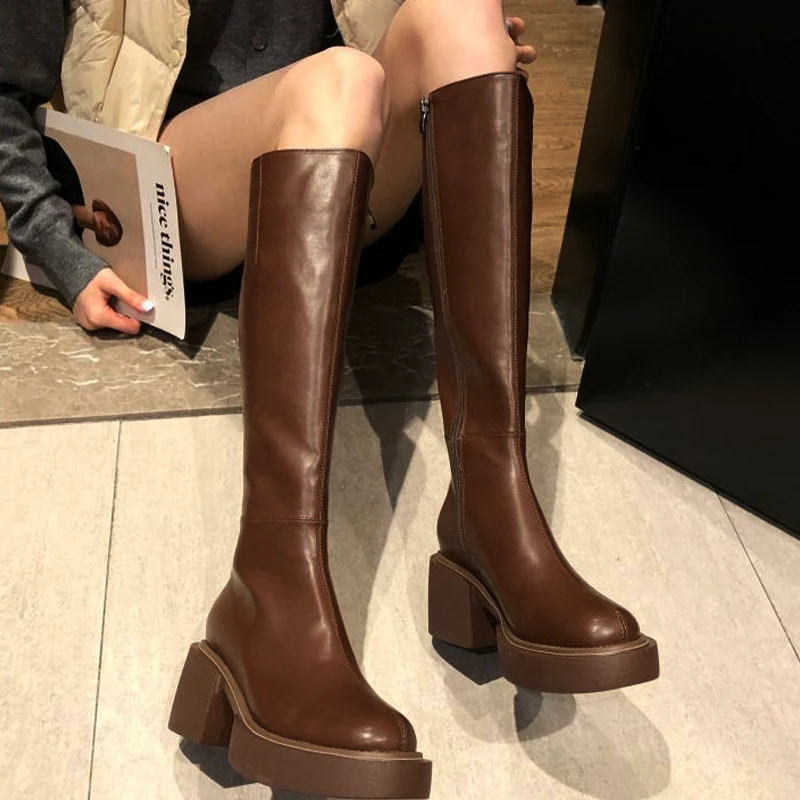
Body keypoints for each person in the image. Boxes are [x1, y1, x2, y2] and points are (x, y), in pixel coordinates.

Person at [0, 2, 659, 797]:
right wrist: (57, 246)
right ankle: (267, 592)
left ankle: (491, 506)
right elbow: (4, 86)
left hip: (349, 164)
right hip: (179, 186)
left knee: (463, 17)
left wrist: (475, 56)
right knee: (336, 78)